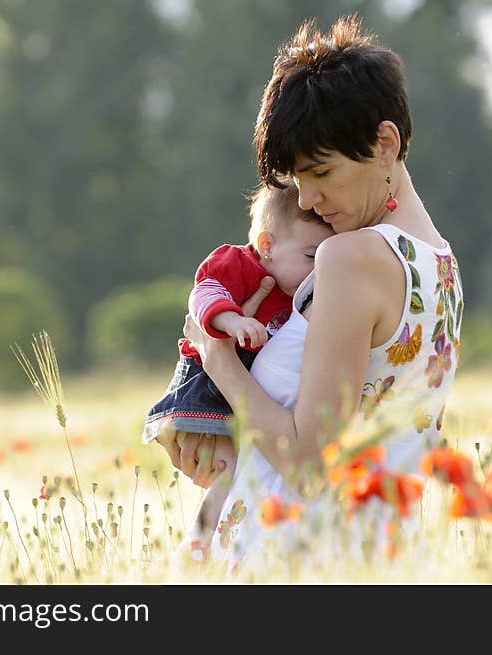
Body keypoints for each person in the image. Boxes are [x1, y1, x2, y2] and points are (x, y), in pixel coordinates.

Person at [159, 14, 465, 576]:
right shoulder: (441, 265)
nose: (308, 198)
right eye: (296, 178)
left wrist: (219, 361)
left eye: (320, 172)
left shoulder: (349, 260)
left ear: (384, 143)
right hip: (383, 555)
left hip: (297, 557)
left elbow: (307, 462)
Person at [142, 182, 334, 557]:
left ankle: (204, 543)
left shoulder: (296, 289)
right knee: (227, 468)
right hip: (205, 386)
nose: (319, 269)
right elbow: (204, 293)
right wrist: (231, 322)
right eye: (311, 256)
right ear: (267, 246)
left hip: (236, 386)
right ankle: (197, 543)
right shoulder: (240, 263)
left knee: (234, 468)